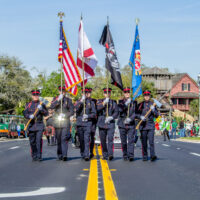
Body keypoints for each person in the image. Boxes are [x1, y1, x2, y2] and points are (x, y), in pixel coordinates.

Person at [23, 89, 48, 161]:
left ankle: (39, 155)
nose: (36, 96)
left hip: (39, 125)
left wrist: (42, 109)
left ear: (39, 95)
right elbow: (25, 113)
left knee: (39, 141)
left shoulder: (42, 104)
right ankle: (34, 155)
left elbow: (46, 114)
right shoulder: (28, 104)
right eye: (34, 95)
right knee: (32, 142)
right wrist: (29, 116)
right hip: (31, 125)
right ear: (32, 96)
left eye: (37, 95)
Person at [50, 86, 74, 161]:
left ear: (65, 92)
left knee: (64, 138)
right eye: (60, 91)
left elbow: (72, 111)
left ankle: (64, 155)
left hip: (65, 121)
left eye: (63, 91)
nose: (62, 92)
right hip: (57, 122)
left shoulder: (68, 100)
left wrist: (66, 115)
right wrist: (58, 100)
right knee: (59, 139)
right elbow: (52, 106)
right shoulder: (55, 99)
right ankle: (59, 154)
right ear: (58, 91)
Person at [97, 88, 119, 160]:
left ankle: (110, 154)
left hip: (110, 123)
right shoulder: (100, 101)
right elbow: (97, 108)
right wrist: (104, 103)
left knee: (110, 139)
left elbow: (116, 112)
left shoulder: (113, 102)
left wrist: (111, 117)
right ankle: (105, 154)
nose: (107, 94)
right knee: (103, 140)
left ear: (110, 94)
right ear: (104, 94)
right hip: (102, 123)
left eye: (108, 92)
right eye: (106, 93)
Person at [137, 90, 159, 161]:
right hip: (143, 126)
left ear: (149, 96)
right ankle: (145, 156)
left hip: (150, 125)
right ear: (144, 96)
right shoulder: (140, 104)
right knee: (144, 142)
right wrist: (140, 117)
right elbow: (136, 114)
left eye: (148, 95)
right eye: (145, 95)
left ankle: (152, 155)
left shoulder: (153, 104)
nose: (147, 97)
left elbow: (157, 115)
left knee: (151, 142)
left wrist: (153, 110)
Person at [75, 87, 96, 161]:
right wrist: (81, 101)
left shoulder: (91, 102)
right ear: (82, 93)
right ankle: (83, 153)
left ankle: (86, 155)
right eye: (85, 93)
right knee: (81, 140)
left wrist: (88, 116)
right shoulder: (78, 101)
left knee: (87, 139)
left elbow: (94, 113)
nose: (86, 94)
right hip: (80, 123)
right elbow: (76, 110)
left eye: (87, 93)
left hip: (88, 123)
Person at [118, 87, 137, 161]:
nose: (127, 94)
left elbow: (136, 113)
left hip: (131, 124)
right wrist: (126, 104)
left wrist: (130, 118)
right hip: (122, 123)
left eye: (128, 92)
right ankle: (125, 154)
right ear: (124, 93)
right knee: (123, 141)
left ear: (130, 93)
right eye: (125, 92)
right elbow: (119, 110)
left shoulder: (134, 102)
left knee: (131, 140)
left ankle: (131, 155)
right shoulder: (120, 102)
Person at [87, 88, 97, 158]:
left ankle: (91, 151)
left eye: (89, 92)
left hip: (93, 121)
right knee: (86, 138)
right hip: (85, 122)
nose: (88, 94)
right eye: (86, 93)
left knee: (91, 137)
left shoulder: (94, 101)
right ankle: (86, 152)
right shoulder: (82, 101)